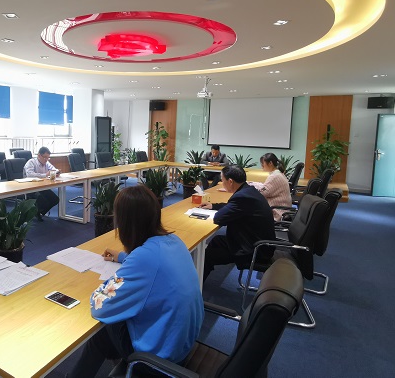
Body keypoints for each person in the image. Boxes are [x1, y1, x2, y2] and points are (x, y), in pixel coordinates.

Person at [67, 186, 204, 378]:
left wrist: (103, 287)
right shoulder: (174, 240)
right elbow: (152, 265)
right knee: (114, 323)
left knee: (104, 326)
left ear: (125, 222)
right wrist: (123, 257)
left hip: (160, 356)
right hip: (182, 341)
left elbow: (100, 306)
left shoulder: (143, 258)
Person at [199, 165, 275, 282]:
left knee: (208, 255)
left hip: (255, 250)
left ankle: (196, 286)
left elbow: (219, 219)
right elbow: (235, 206)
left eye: (222, 180)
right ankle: (200, 276)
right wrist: (213, 206)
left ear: (230, 182)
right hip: (256, 241)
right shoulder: (248, 191)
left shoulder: (242, 196)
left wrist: (219, 210)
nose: (221, 183)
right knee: (216, 240)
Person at [249, 153, 292, 221]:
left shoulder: (274, 176)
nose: (262, 166)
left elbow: (262, 193)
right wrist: (253, 184)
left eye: (263, 164)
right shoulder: (277, 173)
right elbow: (266, 187)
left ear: (270, 163)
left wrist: (250, 187)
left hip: (277, 212)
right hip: (282, 208)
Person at [23, 147, 60, 221]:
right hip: (31, 187)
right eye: (45, 157)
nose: (46, 159)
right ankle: (35, 212)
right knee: (43, 201)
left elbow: (53, 169)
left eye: (48, 158)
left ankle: (38, 212)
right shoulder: (31, 162)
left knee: (55, 199)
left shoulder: (46, 162)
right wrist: (45, 175)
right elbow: (29, 174)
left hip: (42, 186)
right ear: (39, 155)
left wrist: (56, 172)